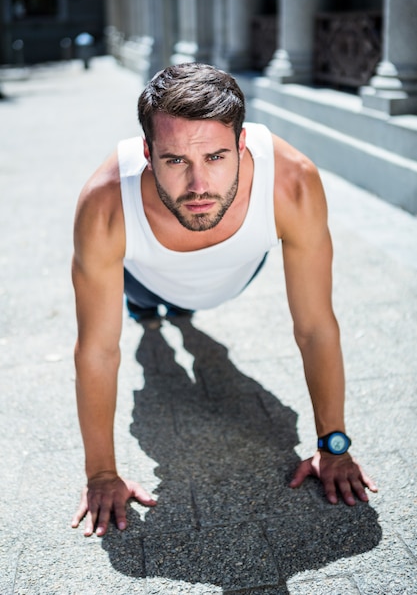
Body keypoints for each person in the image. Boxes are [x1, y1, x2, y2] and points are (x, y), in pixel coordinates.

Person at [71, 62, 377, 537]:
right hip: (147, 278)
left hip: (236, 272)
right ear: (148, 153)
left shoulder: (291, 182)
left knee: (198, 330)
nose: (198, 186)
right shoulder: (105, 204)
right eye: (175, 161)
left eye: (215, 157)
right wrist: (101, 474)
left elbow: (315, 326)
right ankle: (154, 317)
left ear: (241, 145)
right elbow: (97, 349)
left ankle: (181, 316)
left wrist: (333, 446)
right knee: (153, 340)